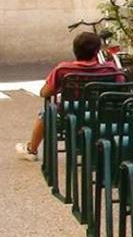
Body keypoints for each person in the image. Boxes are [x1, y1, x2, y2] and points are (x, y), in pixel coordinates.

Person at [14, 31, 118, 161]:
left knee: (45, 113)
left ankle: (32, 150)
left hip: (69, 113)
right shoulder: (110, 69)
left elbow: (45, 93)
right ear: (97, 52)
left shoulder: (63, 69)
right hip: (101, 113)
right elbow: (120, 88)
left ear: (75, 50)